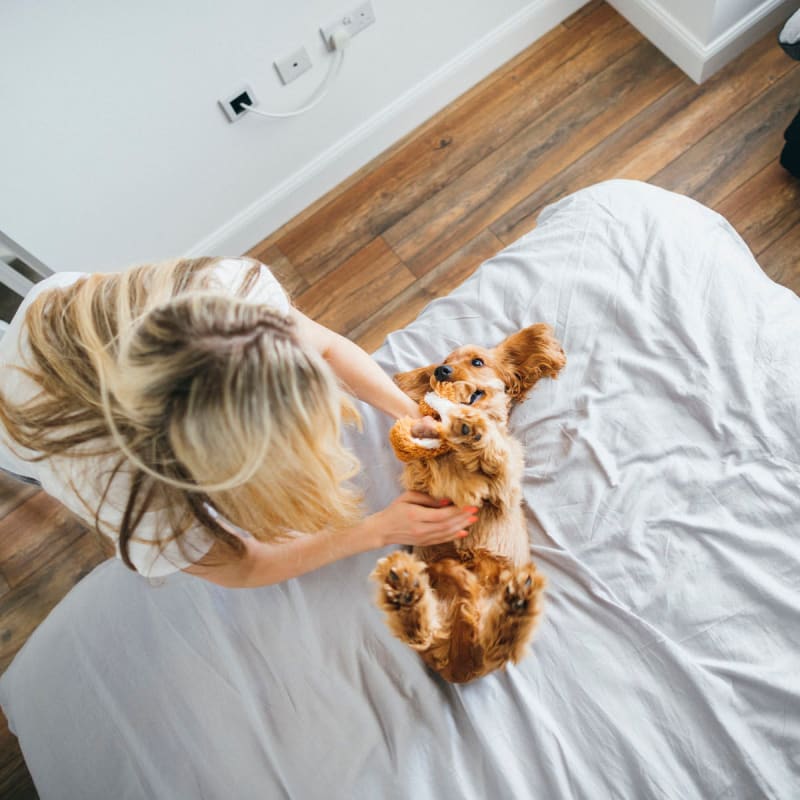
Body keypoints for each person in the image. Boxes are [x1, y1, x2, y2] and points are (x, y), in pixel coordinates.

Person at [0, 256, 478, 587]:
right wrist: (375, 531)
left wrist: (407, 409)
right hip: (24, 424)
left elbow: (326, 346)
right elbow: (238, 567)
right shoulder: (131, 499)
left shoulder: (232, 294)